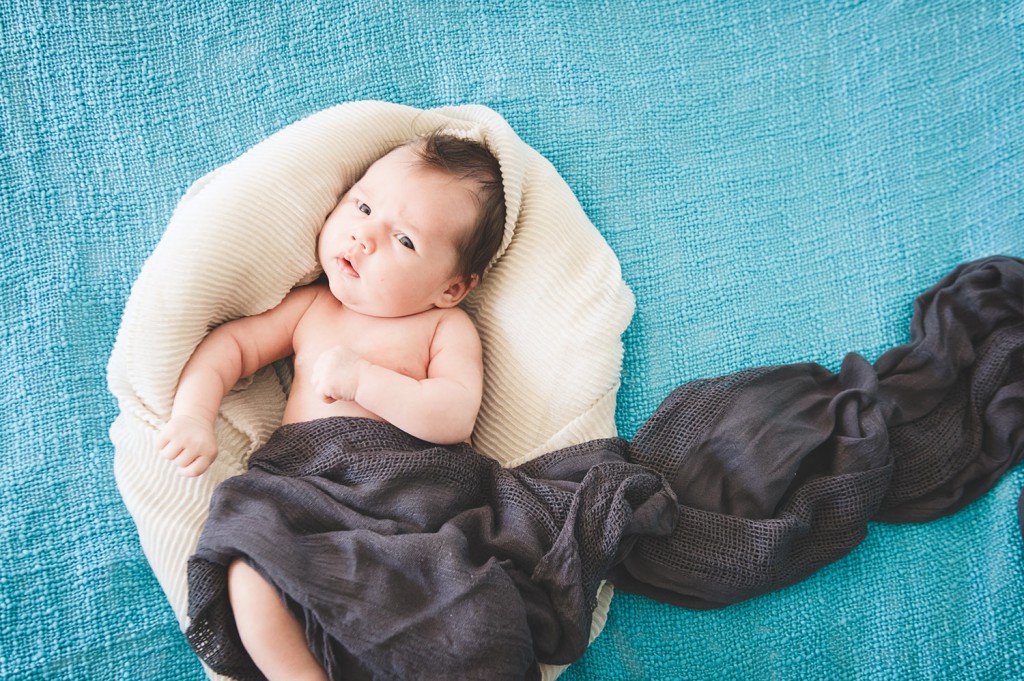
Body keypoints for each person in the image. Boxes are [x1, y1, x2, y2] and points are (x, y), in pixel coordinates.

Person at [158, 131, 506, 680]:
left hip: (409, 510)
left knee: (471, 615)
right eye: (363, 206)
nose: (363, 236)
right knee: (247, 568)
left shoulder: (445, 326)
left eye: (406, 240)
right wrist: (194, 416)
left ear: (452, 288)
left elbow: (454, 415)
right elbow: (232, 347)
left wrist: (365, 381)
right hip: (305, 496)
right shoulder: (309, 308)